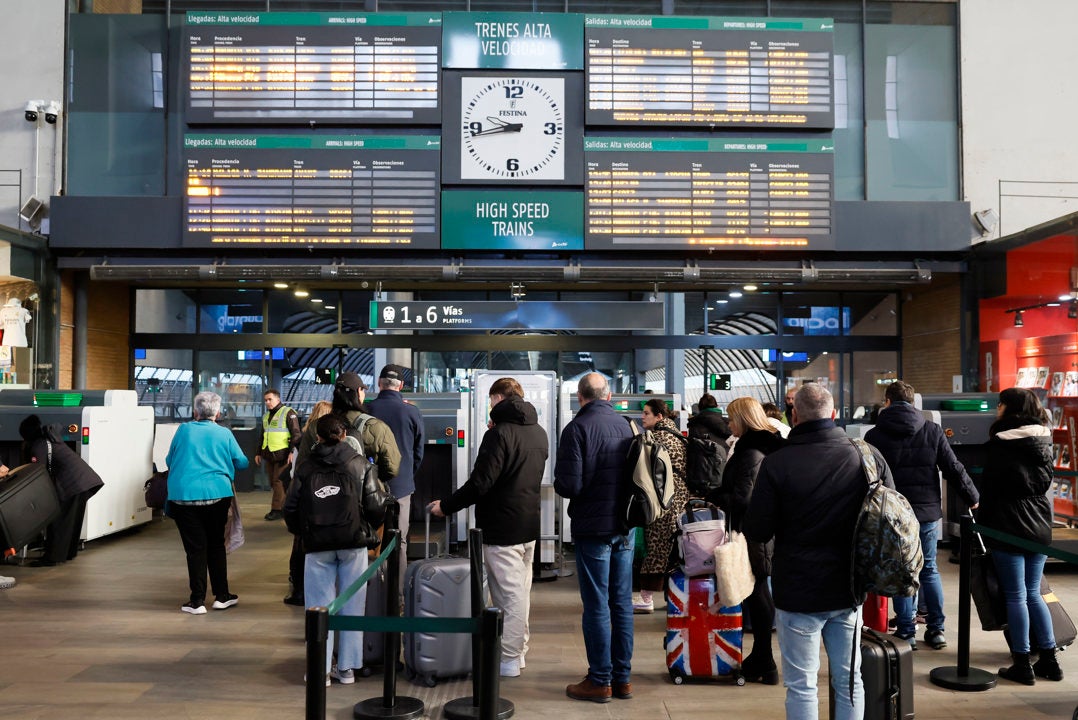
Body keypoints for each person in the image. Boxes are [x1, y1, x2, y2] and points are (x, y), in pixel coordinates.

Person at [744, 383, 894, 720]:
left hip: (797, 588)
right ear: (834, 413)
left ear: (794, 416)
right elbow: (890, 514)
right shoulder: (865, 456)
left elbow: (757, 530)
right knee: (850, 679)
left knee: (801, 684)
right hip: (848, 586)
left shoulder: (777, 463)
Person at [429, 377, 547, 678]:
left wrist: (447, 505)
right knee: (520, 593)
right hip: (528, 524)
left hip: (501, 526)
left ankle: (507, 658)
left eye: (491, 401)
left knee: (509, 596)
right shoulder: (539, 432)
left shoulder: (499, 435)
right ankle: (518, 652)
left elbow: (481, 483)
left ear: (497, 398)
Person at [864, 380, 980, 650]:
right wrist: (972, 497)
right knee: (928, 568)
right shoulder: (932, 430)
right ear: (913, 402)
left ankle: (906, 632)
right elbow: (953, 468)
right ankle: (936, 629)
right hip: (926, 512)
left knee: (902, 569)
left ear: (888, 401)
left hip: (893, 516)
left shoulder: (874, 435)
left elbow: (869, 478)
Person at [284, 414, 390, 686]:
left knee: (318, 608)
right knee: (353, 605)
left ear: (317, 437)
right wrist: (364, 526)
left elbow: (290, 508)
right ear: (344, 435)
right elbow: (376, 506)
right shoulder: (359, 464)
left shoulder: (306, 466)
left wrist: (305, 531)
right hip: (352, 543)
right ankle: (347, 668)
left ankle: (320, 668)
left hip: (317, 546)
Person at [554, 373, 635, 703]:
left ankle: (600, 680)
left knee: (597, 605)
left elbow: (569, 486)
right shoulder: (627, 426)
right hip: (625, 527)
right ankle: (623, 679)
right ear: (610, 395)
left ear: (579, 397)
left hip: (593, 529)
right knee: (621, 603)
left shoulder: (576, 429)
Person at [287, 373, 400, 605]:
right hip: (354, 527)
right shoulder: (374, 427)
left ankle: (320, 639)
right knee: (353, 601)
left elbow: (302, 473)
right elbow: (392, 467)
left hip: (317, 529)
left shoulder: (316, 428)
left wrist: (304, 526)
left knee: (319, 602)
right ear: (359, 392)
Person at [978, 387, 1059, 684]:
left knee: (1015, 595)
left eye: (999, 404)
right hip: (1039, 523)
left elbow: (990, 487)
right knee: (1033, 593)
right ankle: (1050, 660)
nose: (996, 409)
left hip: (1007, 524)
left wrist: (981, 525)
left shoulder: (1001, 442)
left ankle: (1022, 663)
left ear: (1007, 409)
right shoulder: (1043, 439)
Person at [710, 397, 785, 684]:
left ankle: (765, 660)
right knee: (756, 591)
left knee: (756, 592)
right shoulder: (757, 447)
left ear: (743, 419)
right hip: (756, 530)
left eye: (731, 419)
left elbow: (744, 497)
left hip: (753, 532)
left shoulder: (751, 451)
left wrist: (715, 495)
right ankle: (761, 658)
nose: (728, 425)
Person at [165, 391, 249, 614]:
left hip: (183, 496)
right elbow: (242, 462)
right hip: (217, 495)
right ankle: (222, 596)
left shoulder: (183, 430)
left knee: (195, 549)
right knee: (215, 544)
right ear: (218, 412)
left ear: (195, 412)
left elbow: (168, 460)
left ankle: (196, 601)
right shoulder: (224, 433)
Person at [366, 363, 425, 583]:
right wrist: (407, 474)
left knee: (368, 539)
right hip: (401, 487)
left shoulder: (366, 411)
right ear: (401, 385)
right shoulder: (411, 411)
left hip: (369, 487)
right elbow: (418, 452)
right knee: (398, 540)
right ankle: (397, 594)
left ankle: (369, 593)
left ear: (379, 384)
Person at [19, 415, 105, 566]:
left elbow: (38, 472)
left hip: (72, 484)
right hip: (84, 481)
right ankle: (68, 553)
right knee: (72, 520)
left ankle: (52, 558)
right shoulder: (50, 438)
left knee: (59, 520)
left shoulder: (38, 445)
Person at [633, 398, 688, 614]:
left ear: (659, 417)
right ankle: (674, 596)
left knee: (656, 548)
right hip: (680, 501)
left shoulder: (656, 438)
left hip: (663, 502)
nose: (642, 417)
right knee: (675, 551)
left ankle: (646, 598)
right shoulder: (679, 438)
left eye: (647, 413)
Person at [281, 400, 333, 606]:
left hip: (303, 493)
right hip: (318, 497)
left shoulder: (304, 437)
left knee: (299, 542)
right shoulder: (323, 440)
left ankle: (299, 588)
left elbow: (296, 471)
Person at [254, 388, 301, 521]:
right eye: (266, 400)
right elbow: (262, 436)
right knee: (273, 482)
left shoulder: (288, 413)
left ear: (278, 399)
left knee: (278, 481)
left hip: (283, 454)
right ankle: (288, 506)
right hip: (269, 454)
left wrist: (292, 452)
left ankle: (277, 510)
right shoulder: (266, 416)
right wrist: (258, 452)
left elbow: (296, 434)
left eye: (270, 399)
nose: (268, 402)